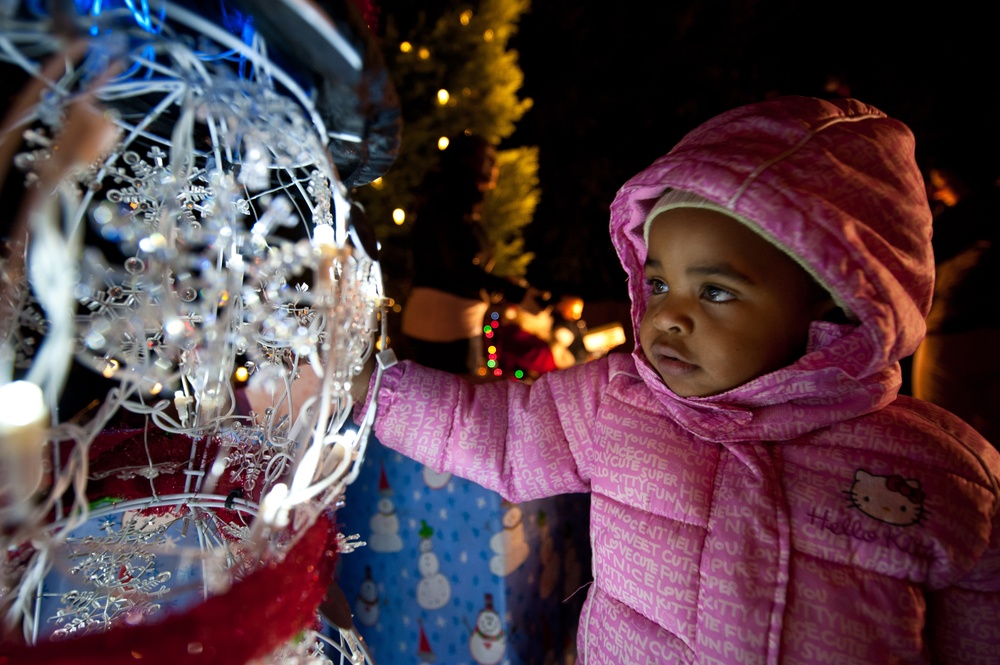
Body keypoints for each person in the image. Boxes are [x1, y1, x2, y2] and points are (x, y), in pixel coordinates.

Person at [351, 97, 1000, 662]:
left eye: (715, 290)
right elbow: (498, 431)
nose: (668, 316)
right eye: (658, 282)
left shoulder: (940, 471)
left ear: (833, 303)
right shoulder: (617, 402)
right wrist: (370, 389)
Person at [400, 132, 543, 376]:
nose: (496, 167)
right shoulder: (450, 206)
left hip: (442, 322)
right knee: (455, 406)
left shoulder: (446, 204)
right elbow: (458, 268)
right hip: (447, 326)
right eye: (490, 159)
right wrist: (515, 292)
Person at [910, 158, 1000, 447]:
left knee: (943, 434)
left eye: (939, 182)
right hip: (987, 335)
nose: (936, 191)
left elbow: (920, 261)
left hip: (952, 334)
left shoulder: (965, 218)